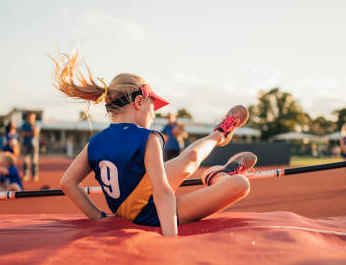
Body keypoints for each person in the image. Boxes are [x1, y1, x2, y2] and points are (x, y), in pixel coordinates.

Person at [52, 51, 257, 237]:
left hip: (140, 192)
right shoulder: (148, 137)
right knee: (240, 184)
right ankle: (218, 175)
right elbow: (162, 192)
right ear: (139, 102)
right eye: (153, 106)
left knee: (190, 158)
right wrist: (170, 239)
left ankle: (220, 133)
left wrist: (98, 217)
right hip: (151, 214)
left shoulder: (95, 141)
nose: (154, 113)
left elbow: (67, 182)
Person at [21, 112, 40, 181]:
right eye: (29, 117)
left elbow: (36, 134)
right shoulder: (24, 125)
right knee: (26, 160)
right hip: (26, 144)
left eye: (32, 117)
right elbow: (23, 133)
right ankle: (26, 175)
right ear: (27, 117)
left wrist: (32, 128)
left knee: (34, 160)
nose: (31, 118)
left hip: (34, 145)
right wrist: (30, 133)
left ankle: (34, 175)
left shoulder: (36, 124)